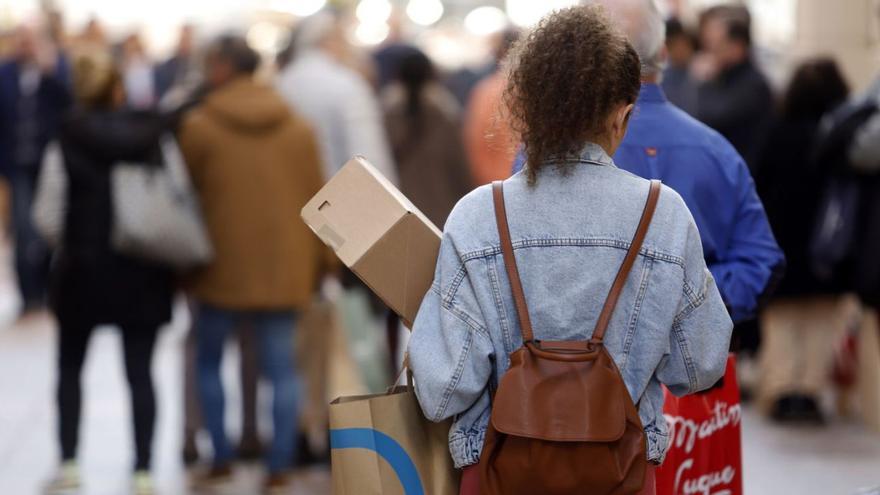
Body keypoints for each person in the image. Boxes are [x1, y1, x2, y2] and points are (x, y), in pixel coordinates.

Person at [408, 6, 732, 495]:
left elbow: (443, 390)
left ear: (526, 111)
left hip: (501, 474)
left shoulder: (478, 216)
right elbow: (698, 366)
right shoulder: (662, 214)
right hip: (621, 473)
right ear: (622, 116)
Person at [514, 0, 784, 329]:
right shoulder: (717, 152)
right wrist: (686, 305)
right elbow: (760, 263)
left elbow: (522, 261)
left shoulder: (546, 149)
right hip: (697, 372)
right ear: (665, 55)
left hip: (575, 364)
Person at [179, 35, 331, 492]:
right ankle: (279, 463)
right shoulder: (299, 128)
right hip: (284, 266)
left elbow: (185, 200)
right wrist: (324, 263)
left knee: (209, 361)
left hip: (217, 266)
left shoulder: (199, 126)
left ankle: (221, 456)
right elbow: (317, 200)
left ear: (223, 67)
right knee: (283, 369)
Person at [43, 48, 173, 495]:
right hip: (143, 270)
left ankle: (70, 463)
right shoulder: (151, 134)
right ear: (118, 90)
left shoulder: (66, 137)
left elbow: (48, 212)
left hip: (82, 269)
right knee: (140, 372)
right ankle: (143, 471)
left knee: (69, 368)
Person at [753, 58, 852, 423]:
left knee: (781, 323)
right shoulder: (837, 138)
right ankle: (809, 393)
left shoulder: (776, 132)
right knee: (821, 322)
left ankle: (781, 391)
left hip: (781, 243)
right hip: (826, 247)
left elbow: (757, 186)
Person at [0, 25, 71, 315]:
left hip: (47, 165)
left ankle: (45, 289)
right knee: (24, 230)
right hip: (17, 164)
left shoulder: (55, 71)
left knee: (47, 228)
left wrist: (51, 72)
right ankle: (29, 294)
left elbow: (69, 106)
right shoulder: (5, 74)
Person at [276, 11, 396, 182]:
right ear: (330, 40)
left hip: (290, 194)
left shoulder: (280, 83)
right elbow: (369, 159)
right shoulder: (348, 84)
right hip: (336, 199)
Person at [382, 49, 473, 228]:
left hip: (402, 211)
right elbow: (459, 169)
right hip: (442, 211)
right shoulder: (445, 114)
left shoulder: (387, 116)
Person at [693, 7, 773, 171]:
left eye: (717, 45)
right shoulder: (726, 78)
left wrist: (703, 84)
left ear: (736, 46)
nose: (710, 52)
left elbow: (712, 119)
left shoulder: (753, 86)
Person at [462, 28, 520, 186]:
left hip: (493, 188)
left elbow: (474, 144)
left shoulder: (484, 91)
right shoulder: (537, 92)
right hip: (529, 187)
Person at [661, 17, 697, 115]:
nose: (681, 50)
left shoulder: (701, 72)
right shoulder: (664, 78)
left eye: (685, 44)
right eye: (675, 45)